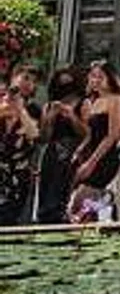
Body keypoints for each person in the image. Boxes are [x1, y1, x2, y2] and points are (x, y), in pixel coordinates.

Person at [69, 62, 120, 222]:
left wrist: (92, 162)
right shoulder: (90, 101)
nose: (96, 80)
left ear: (110, 78)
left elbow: (112, 135)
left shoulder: (115, 99)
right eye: (93, 76)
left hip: (104, 158)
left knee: (82, 202)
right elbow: (89, 134)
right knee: (77, 206)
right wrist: (79, 151)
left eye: (100, 76)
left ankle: (106, 211)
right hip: (88, 155)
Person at [34, 67, 86, 224]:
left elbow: (86, 133)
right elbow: (43, 137)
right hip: (53, 152)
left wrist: (71, 115)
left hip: (73, 150)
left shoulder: (83, 103)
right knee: (48, 189)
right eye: (61, 83)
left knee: (64, 192)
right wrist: (51, 117)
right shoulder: (49, 106)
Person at [0, 81, 38, 225]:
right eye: (4, 97)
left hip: (18, 178)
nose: (8, 101)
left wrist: (21, 110)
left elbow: (34, 134)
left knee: (10, 218)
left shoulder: (28, 118)